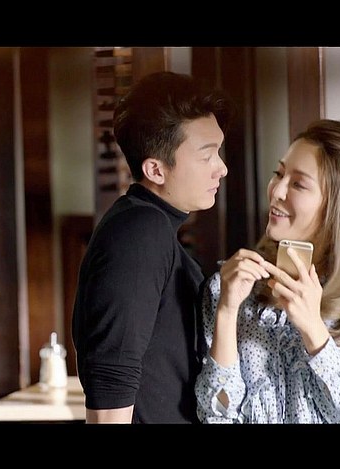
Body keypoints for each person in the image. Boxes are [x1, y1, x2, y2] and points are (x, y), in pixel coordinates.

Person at [195, 119, 340, 423]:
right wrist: (227, 311)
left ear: (339, 206)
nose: (277, 191)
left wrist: (313, 329)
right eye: (279, 174)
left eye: (298, 184)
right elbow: (216, 416)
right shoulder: (230, 286)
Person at [71, 71, 232, 423]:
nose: (221, 168)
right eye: (206, 156)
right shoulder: (140, 230)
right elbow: (112, 373)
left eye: (218, 152)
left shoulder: (148, 226)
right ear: (155, 170)